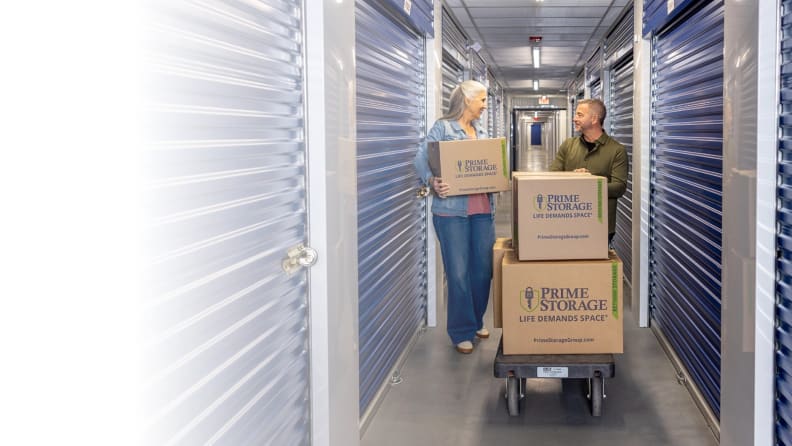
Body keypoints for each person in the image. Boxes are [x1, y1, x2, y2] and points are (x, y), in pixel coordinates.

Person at [414, 80, 495, 354]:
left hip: (482, 210)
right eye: (482, 100)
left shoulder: (482, 131)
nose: (484, 106)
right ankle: (461, 330)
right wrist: (432, 180)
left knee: (482, 271)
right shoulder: (443, 128)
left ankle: (476, 320)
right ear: (467, 100)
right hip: (451, 212)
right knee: (458, 273)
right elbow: (420, 158)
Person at [550, 98, 627, 244]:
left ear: (594, 119)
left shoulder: (617, 150)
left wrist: (589, 183)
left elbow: (619, 187)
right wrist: (573, 177)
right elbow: (552, 175)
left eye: (579, 115)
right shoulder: (568, 145)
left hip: (600, 226)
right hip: (567, 221)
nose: (574, 118)